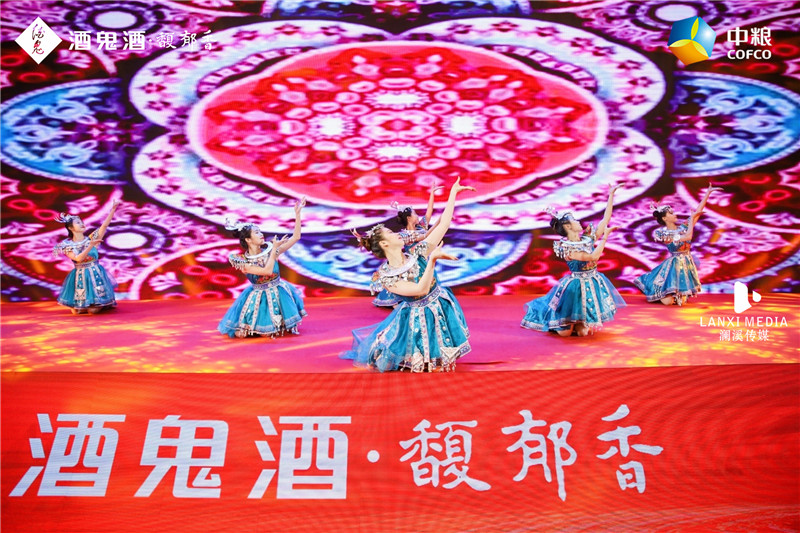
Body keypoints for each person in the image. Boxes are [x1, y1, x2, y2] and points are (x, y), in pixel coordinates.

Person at [342, 178, 474, 372]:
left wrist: (453, 194)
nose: (397, 234)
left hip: (438, 305)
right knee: (408, 360)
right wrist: (432, 260)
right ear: (385, 244)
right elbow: (420, 289)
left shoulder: (416, 252)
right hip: (416, 319)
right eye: (391, 233)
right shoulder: (387, 277)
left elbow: (443, 225)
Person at [521, 185, 626, 336]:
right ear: (568, 226)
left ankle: (578, 323)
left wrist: (611, 195)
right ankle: (557, 320)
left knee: (583, 333)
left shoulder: (587, 239)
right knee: (565, 333)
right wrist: (605, 238)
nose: (578, 221)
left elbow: (605, 219)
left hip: (591, 281)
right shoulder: (567, 248)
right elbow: (592, 257)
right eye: (574, 220)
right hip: (575, 286)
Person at [218, 198, 307, 338]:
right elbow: (267, 271)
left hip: (279, 292)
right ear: (248, 239)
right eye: (257, 233)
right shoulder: (243, 261)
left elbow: (296, 237)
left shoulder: (272, 250)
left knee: (273, 330)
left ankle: (276, 323)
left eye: (260, 231)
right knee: (246, 334)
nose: (261, 234)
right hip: (259, 297)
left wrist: (297, 214)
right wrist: (274, 251)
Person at [634, 184, 723, 305]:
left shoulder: (682, 227)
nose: (674, 214)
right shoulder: (662, 233)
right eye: (670, 213)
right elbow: (687, 237)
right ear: (665, 218)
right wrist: (691, 221)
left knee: (681, 301)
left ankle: (675, 295)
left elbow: (697, 212)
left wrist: (707, 193)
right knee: (668, 302)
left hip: (686, 262)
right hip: (674, 264)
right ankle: (662, 292)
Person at [373, 183, 442, 308]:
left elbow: (429, 213)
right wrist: (440, 223)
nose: (418, 216)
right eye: (415, 214)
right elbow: (425, 236)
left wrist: (432, 194)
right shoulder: (404, 235)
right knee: (412, 285)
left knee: (428, 280)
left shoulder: (420, 227)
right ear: (409, 218)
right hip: (411, 264)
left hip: (422, 258)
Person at [54, 199, 120, 314]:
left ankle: (98, 303)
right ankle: (83, 303)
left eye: (81, 221)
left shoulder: (90, 238)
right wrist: (90, 246)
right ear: (71, 228)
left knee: (92, 310)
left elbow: (104, 226)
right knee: (76, 312)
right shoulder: (67, 245)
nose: (82, 224)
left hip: (95, 272)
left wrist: (113, 209)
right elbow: (78, 259)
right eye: (78, 222)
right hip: (80, 275)